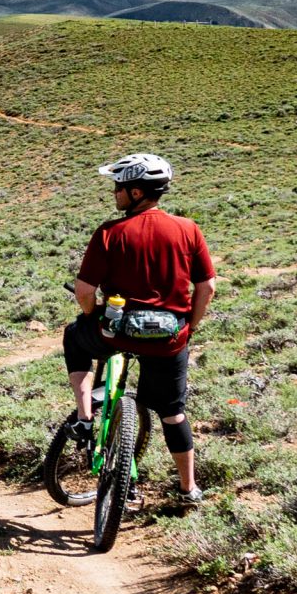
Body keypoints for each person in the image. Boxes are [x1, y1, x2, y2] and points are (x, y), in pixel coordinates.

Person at [62, 153, 217, 508]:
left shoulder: (110, 232)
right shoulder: (188, 229)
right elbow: (207, 288)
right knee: (172, 411)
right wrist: (188, 328)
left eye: (119, 186)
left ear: (135, 192)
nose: (114, 192)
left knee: (75, 337)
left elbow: (85, 291)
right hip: (168, 339)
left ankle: (85, 419)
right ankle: (188, 489)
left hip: (117, 332)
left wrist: (93, 314)